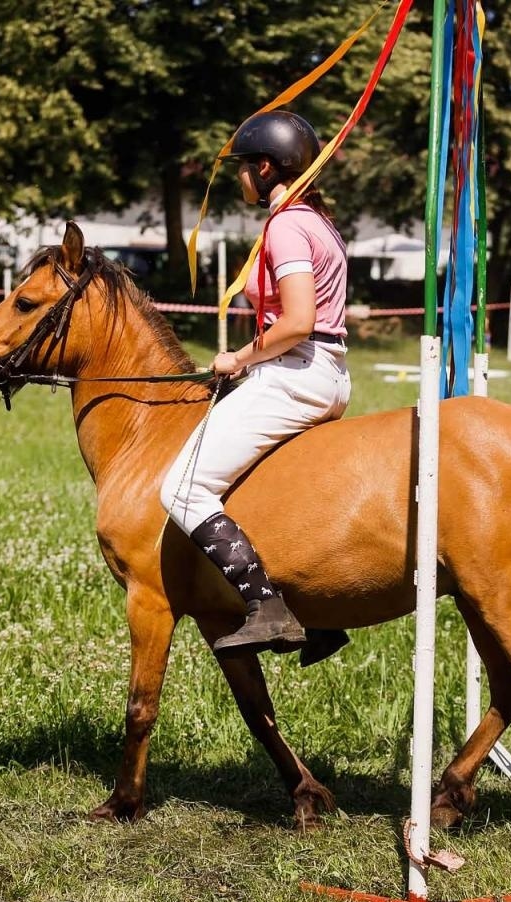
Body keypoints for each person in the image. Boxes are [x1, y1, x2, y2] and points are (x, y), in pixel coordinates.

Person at [159, 111, 352, 660]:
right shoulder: (319, 221)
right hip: (328, 372)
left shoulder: (287, 226)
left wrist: (239, 359)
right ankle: (314, 614)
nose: (239, 177)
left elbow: (296, 321)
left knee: (181, 488)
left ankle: (266, 606)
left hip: (296, 373)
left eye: (243, 167)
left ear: (266, 168)